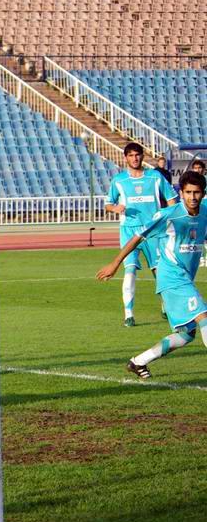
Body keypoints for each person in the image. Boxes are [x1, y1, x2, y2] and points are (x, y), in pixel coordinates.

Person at [97, 171, 207, 378]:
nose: (192, 197)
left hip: (185, 278)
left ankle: (138, 362)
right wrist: (115, 263)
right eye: (188, 192)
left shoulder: (205, 211)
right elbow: (138, 237)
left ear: (203, 193)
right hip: (172, 277)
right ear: (181, 193)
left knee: (186, 334)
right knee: (204, 317)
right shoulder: (169, 214)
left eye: (197, 192)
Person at [105, 142, 177, 326]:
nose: (134, 158)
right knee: (130, 270)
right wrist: (115, 208)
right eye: (131, 155)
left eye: (137, 155)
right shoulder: (119, 180)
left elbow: (172, 200)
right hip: (129, 230)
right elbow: (108, 204)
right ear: (125, 158)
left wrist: (171, 221)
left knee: (159, 271)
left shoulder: (155, 177)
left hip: (153, 230)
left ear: (142, 156)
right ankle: (128, 315)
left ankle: (166, 306)